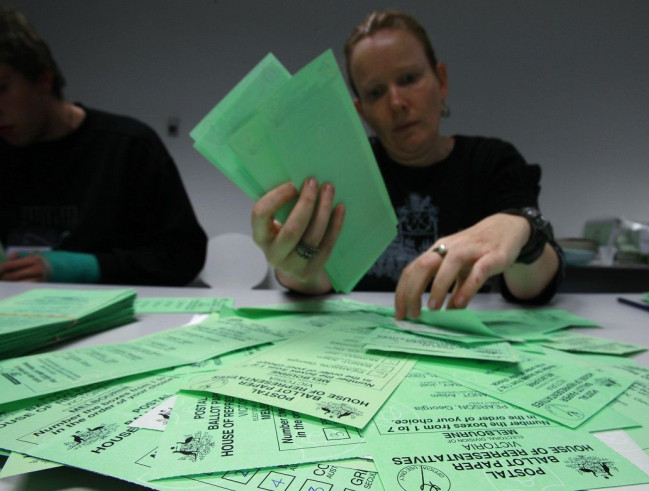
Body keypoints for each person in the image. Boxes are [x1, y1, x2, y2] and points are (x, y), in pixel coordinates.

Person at [251, 9, 563, 318]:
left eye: (409, 79)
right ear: (361, 111)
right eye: (375, 93)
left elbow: (530, 288)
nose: (396, 103)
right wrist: (296, 264)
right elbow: (320, 281)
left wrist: (523, 232)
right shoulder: (345, 171)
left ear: (440, 81)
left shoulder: (493, 161)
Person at [0, 7, 207, 286]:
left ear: (44, 80)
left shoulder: (128, 147)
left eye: (1, 89)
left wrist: (87, 268)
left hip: (118, 323)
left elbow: (183, 256)